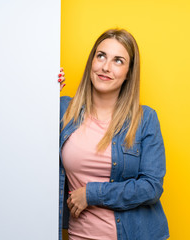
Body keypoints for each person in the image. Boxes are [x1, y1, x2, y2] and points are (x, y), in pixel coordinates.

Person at [58, 29, 169, 240]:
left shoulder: (145, 119)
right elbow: (23, 134)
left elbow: (151, 186)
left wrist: (91, 194)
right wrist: (42, 89)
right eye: (101, 56)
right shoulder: (64, 111)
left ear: (129, 72)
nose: (106, 67)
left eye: (118, 61)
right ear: (92, 61)